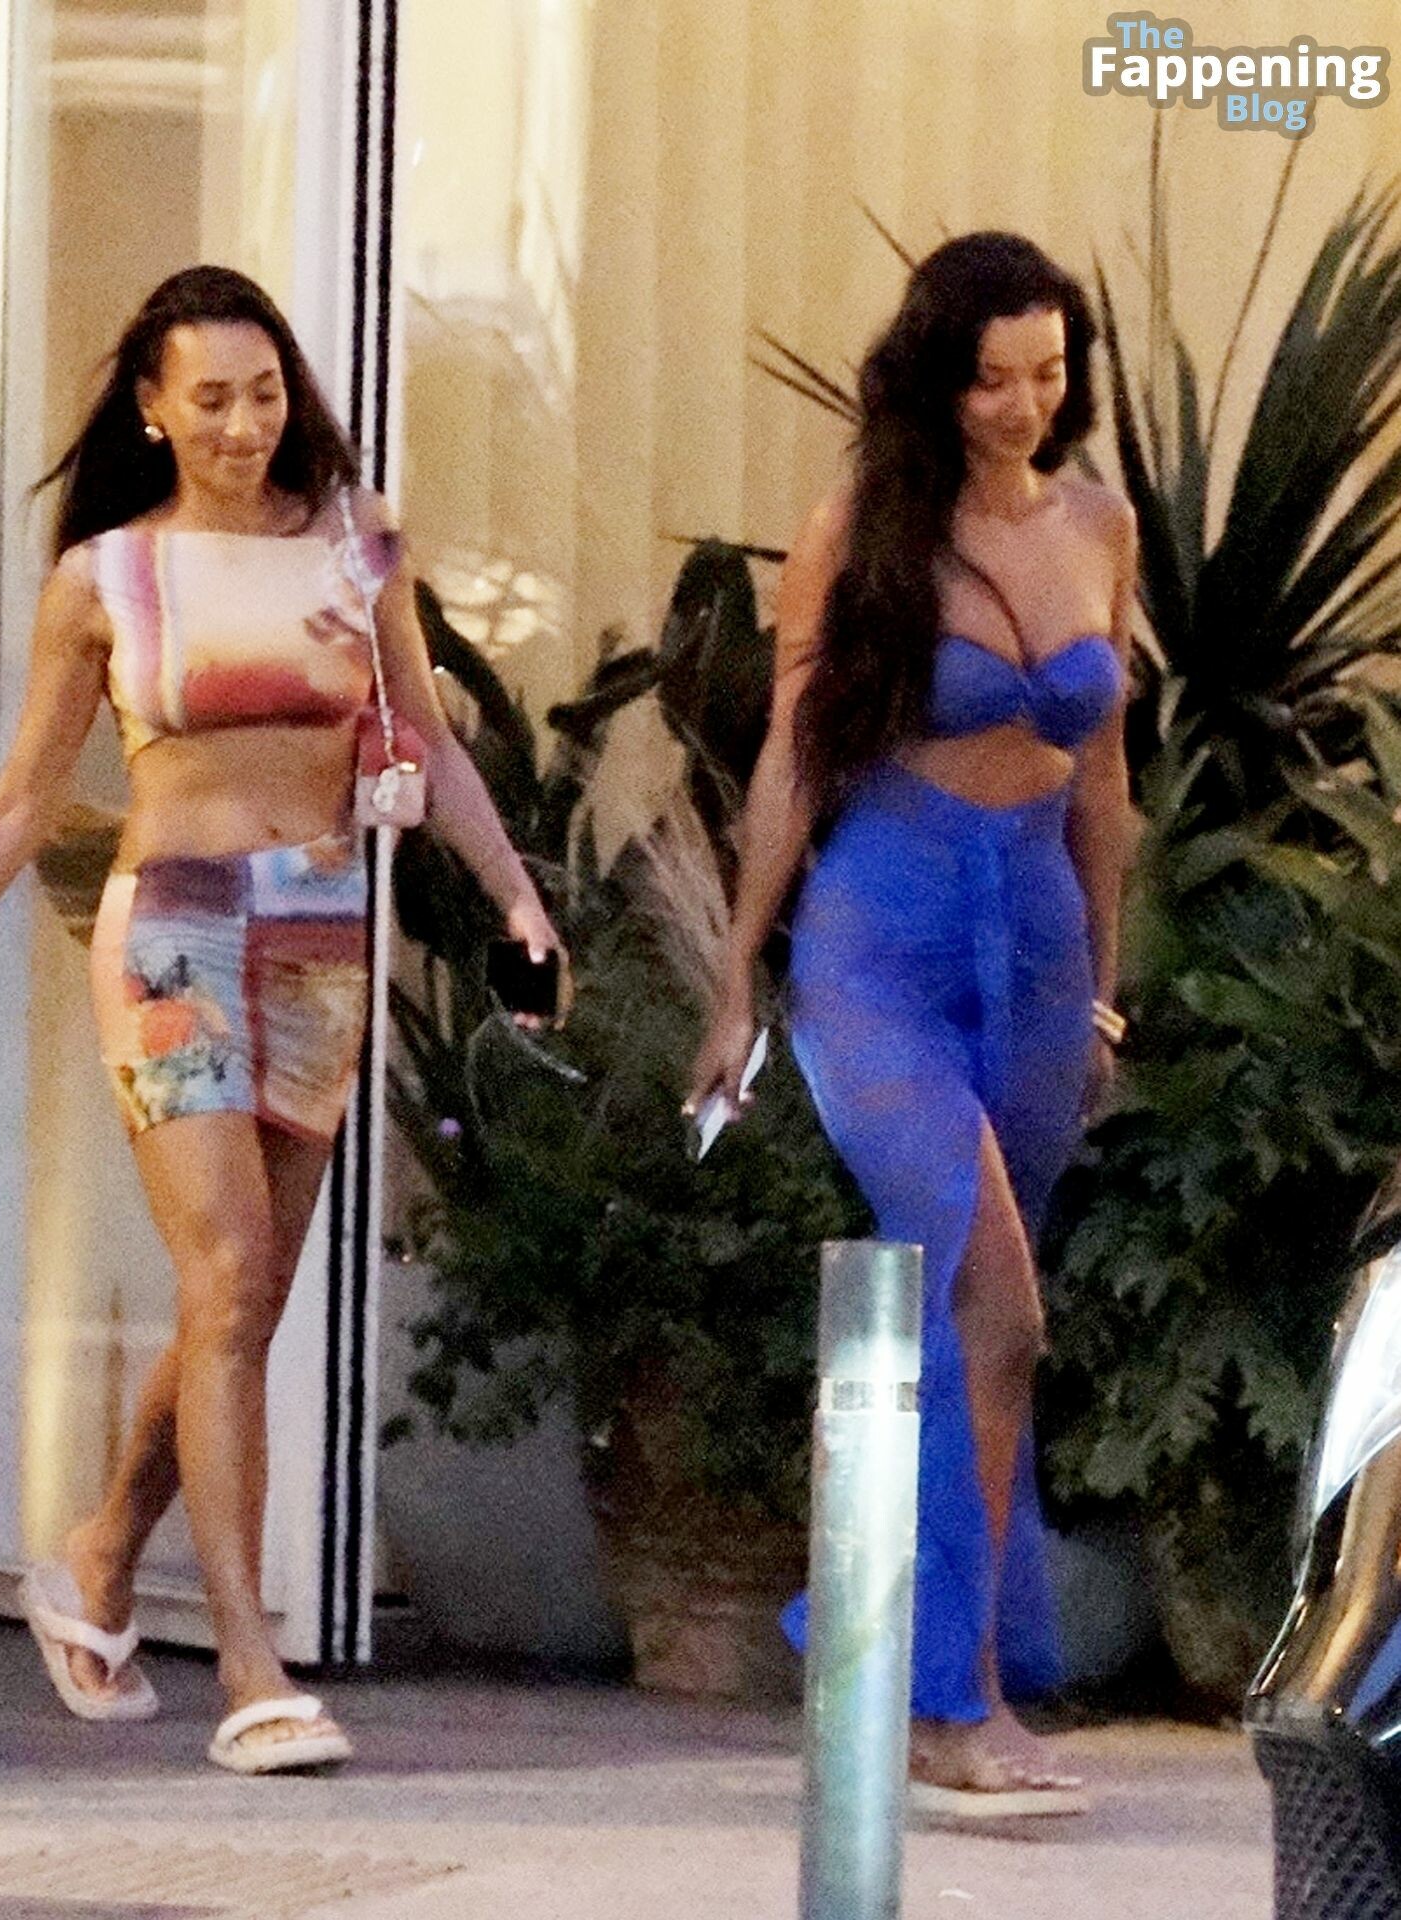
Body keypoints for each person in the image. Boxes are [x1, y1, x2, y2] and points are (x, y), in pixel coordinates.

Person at [0, 265, 566, 1774]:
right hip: (172, 930)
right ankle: (252, 1669)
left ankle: (101, 1556)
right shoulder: (106, 577)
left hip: (318, 934)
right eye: (212, 400)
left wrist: (516, 894)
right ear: (153, 408)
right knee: (232, 1273)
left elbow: (429, 742)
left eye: (265, 394)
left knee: (239, 1302)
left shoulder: (356, 543)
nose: (245, 426)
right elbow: (21, 802)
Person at [687, 233, 1134, 1817]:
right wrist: (736, 976)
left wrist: (1103, 982)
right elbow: (791, 758)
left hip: (1038, 939)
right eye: (991, 379)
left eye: (1048, 374)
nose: (1022, 405)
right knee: (991, 1300)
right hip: (879, 932)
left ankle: (911, 1659)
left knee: (976, 1330)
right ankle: (947, 1700)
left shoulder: (1099, 526)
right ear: (935, 380)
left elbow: (1105, 785)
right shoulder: (861, 534)